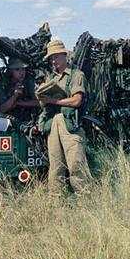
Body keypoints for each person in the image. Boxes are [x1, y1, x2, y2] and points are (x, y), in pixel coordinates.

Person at [37, 39, 92, 193]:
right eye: (51, 58)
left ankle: (84, 199)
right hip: (53, 123)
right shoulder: (50, 79)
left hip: (70, 124)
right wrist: (42, 99)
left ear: (65, 55)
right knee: (55, 166)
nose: (53, 61)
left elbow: (77, 100)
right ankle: (56, 201)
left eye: (56, 56)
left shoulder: (76, 75)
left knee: (76, 164)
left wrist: (53, 100)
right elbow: (43, 105)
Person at [0, 56, 40, 121]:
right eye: (17, 69)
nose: (21, 73)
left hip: (29, 117)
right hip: (10, 120)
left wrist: (20, 103)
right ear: (10, 71)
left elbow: (40, 102)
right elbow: (1, 110)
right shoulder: (3, 85)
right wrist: (14, 96)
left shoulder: (29, 81)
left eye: (23, 69)